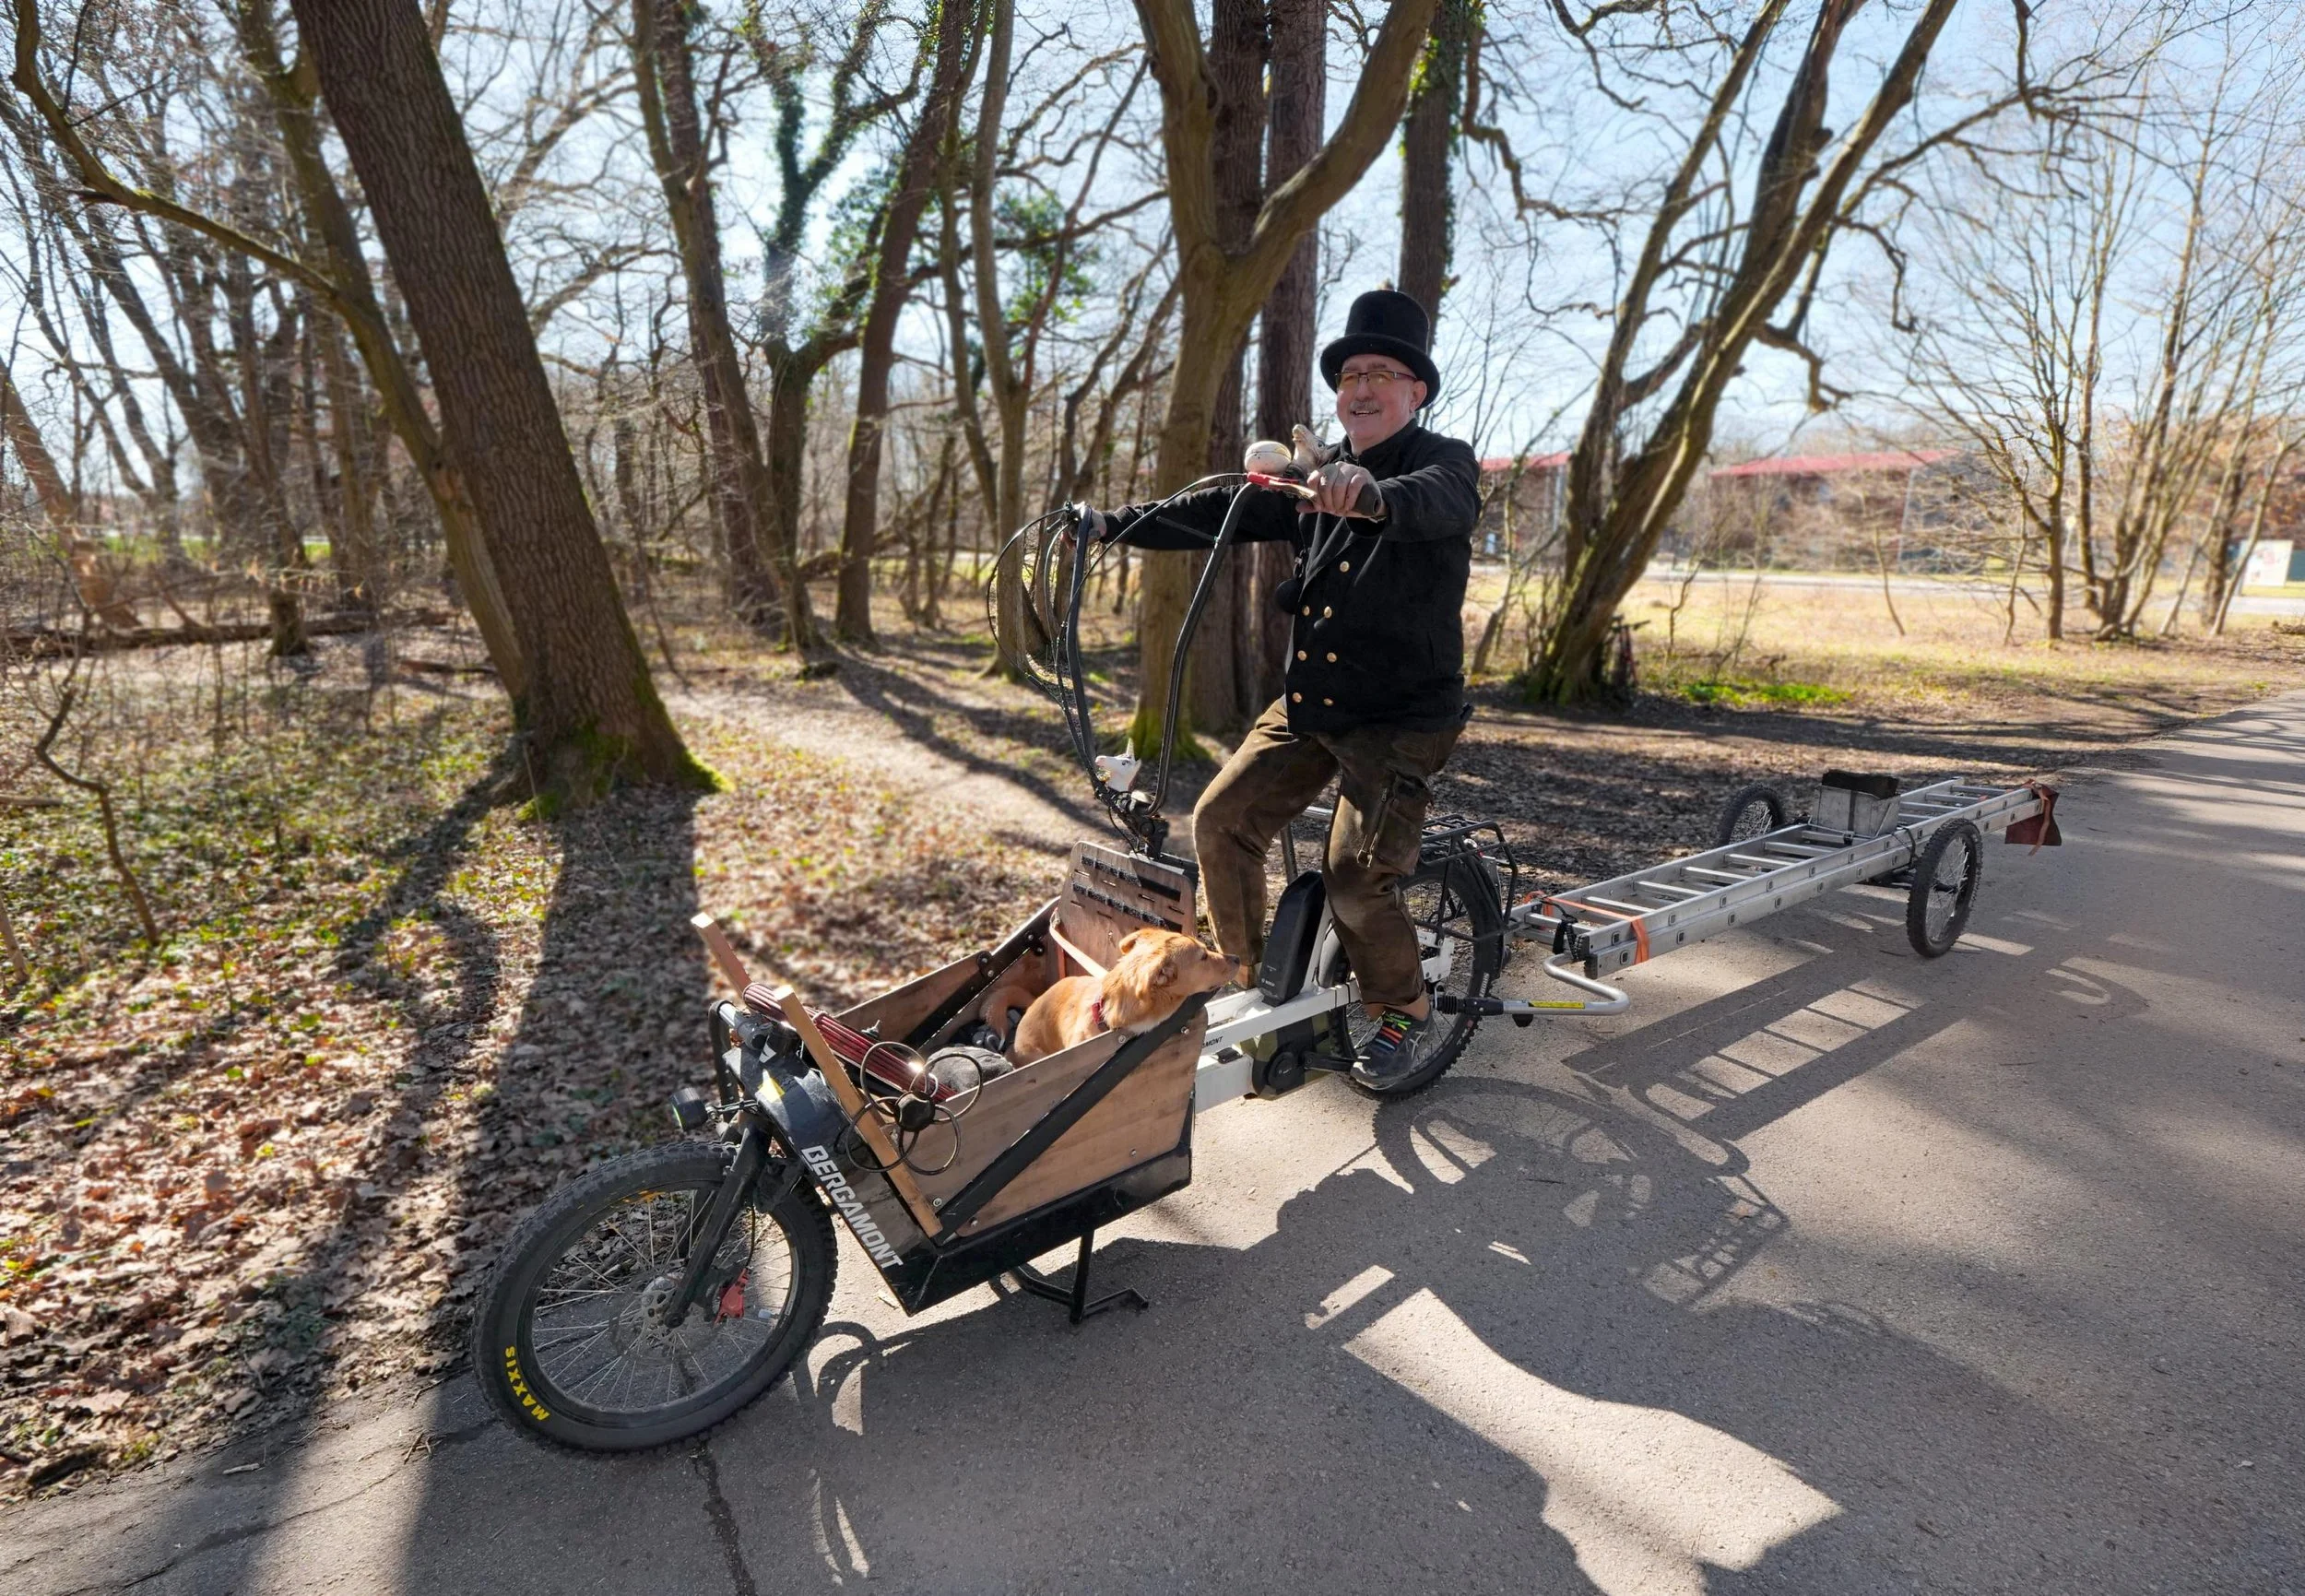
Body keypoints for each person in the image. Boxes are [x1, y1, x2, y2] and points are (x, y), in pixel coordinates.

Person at [1082, 289, 1479, 1084]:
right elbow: (1221, 510)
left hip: (1400, 720)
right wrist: (1107, 523)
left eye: (1382, 373)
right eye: (1349, 375)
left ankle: (1402, 1006)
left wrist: (1365, 493)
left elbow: (1432, 503)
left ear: (1416, 391)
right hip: (1314, 706)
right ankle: (1247, 986)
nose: (1360, 388)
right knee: (1220, 820)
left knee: (1356, 882)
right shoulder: (1316, 475)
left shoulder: (1443, 463)